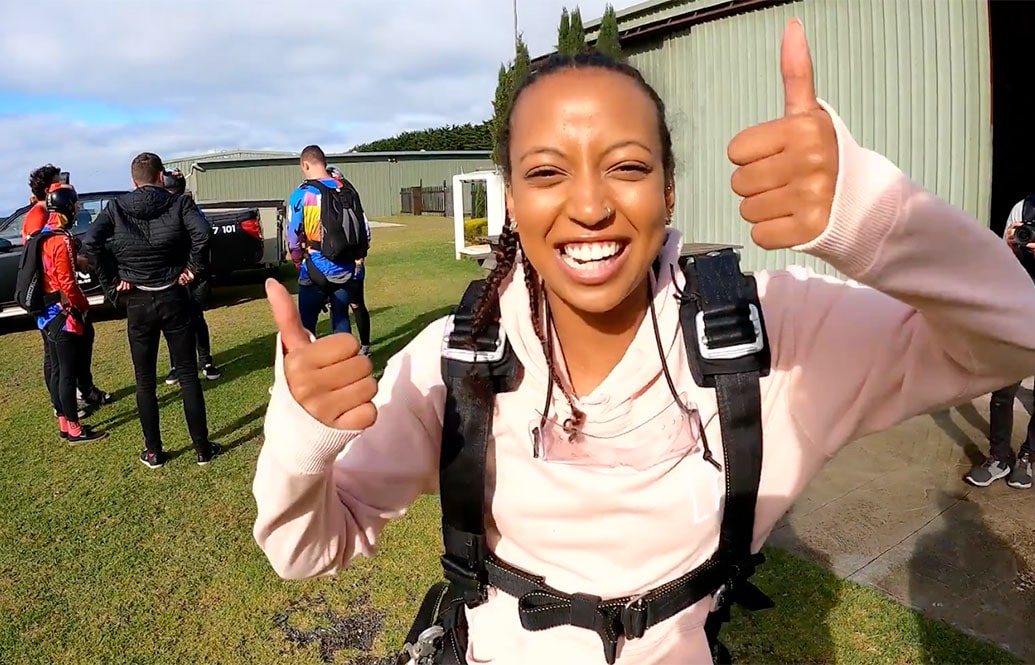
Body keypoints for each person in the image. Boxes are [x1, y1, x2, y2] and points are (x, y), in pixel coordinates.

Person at [251, 23, 1035, 665]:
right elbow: (308, 547)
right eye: (546, 172)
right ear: (514, 202)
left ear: (667, 188)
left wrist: (875, 217)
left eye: (626, 166)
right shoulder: (453, 360)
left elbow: (1014, 336)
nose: (589, 204)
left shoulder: (770, 335)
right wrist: (303, 438)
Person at [83, 152, 221, 470]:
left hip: (138, 302)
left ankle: (154, 452)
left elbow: (91, 243)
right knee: (187, 375)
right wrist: (192, 269)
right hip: (174, 296)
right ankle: (202, 448)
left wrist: (113, 282)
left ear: (134, 181)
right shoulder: (179, 203)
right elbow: (203, 234)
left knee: (145, 380)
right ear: (161, 177)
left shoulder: (116, 208)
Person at [25, 164, 111, 417]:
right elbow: (52, 269)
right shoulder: (40, 219)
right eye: (58, 182)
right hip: (57, 305)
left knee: (77, 347)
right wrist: (80, 305)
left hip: (56, 302)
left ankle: (82, 393)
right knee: (58, 361)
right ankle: (63, 409)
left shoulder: (53, 224)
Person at [965, 196, 1035, 490]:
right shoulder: (1022, 208)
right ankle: (998, 457)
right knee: (1003, 389)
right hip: (1019, 310)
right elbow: (1003, 266)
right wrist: (1008, 247)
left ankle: (1028, 457)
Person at [36, 184, 107, 444]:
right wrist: (83, 306)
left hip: (45, 313)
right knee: (67, 372)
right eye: (76, 205)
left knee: (56, 370)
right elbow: (67, 282)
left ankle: (65, 424)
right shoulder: (62, 238)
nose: (77, 209)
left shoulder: (42, 233)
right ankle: (75, 430)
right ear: (67, 206)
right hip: (62, 312)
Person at [286, 145, 366, 338]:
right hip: (345, 268)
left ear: (305, 164)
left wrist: (297, 260)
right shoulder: (346, 189)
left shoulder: (303, 194)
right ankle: (346, 363)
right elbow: (362, 227)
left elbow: (293, 236)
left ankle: (310, 365)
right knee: (341, 320)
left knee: (306, 326)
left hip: (315, 268)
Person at [160, 168, 222, 384]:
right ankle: (177, 364)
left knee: (194, 318)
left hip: (194, 275)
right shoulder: (162, 212)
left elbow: (203, 240)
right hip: (173, 276)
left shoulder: (190, 209)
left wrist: (192, 270)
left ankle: (205, 361)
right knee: (175, 322)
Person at [327, 165, 373, 356]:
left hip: (352, 265)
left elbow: (366, 234)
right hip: (336, 265)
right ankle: (345, 348)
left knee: (354, 304)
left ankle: (364, 345)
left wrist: (359, 260)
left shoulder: (354, 207)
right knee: (338, 305)